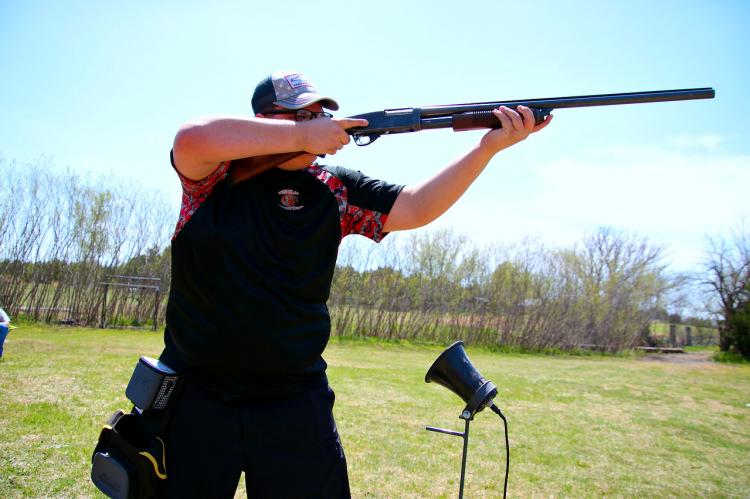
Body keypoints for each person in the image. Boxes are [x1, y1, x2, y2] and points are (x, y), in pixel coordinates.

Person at [159, 70, 551, 498]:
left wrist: (487, 147)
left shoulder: (333, 188)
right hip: (196, 393)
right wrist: (305, 135)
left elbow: (417, 206)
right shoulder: (214, 177)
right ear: (265, 119)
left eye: (319, 113)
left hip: (292, 398)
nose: (315, 121)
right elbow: (192, 137)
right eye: (300, 115)